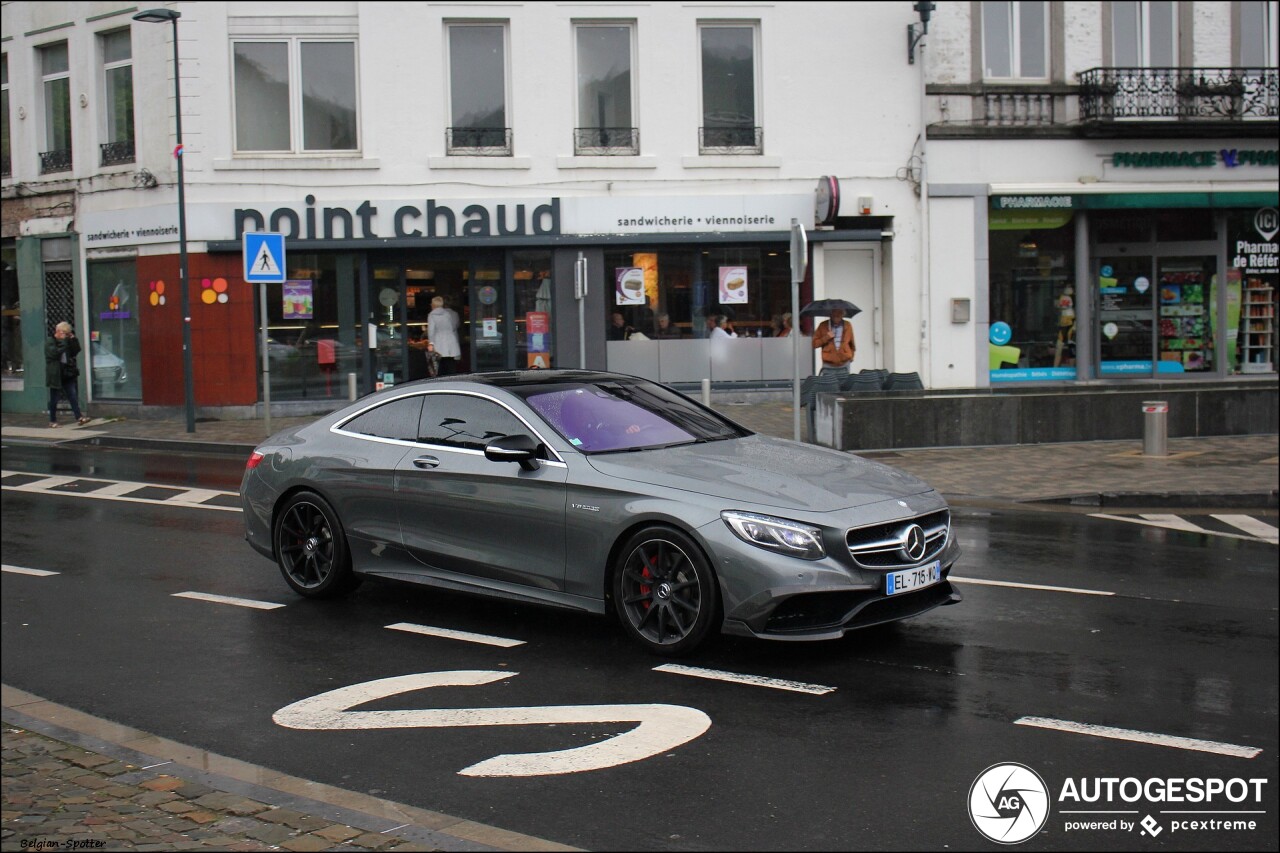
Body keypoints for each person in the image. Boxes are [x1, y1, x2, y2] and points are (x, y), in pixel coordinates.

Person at [45, 321, 89, 428]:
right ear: (58, 332)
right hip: (55, 373)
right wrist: (64, 342)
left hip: (67, 372)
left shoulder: (66, 340)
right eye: (64, 333)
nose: (65, 335)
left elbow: (76, 350)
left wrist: (73, 339)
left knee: (72, 395)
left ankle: (79, 417)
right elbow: (55, 353)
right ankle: (52, 420)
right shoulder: (50, 341)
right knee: (54, 398)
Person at [812, 307, 855, 374]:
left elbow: (852, 344)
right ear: (830, 314)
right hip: (828, 363)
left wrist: (851, 357)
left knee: (844, 383)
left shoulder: (848, 325)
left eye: (839, 313)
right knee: (828, 383)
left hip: (845, 362)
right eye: (834, 313)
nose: (836, 316)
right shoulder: (823, 325)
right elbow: (814, 344)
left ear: (843, 314)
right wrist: (826, 337)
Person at [427, 296, 461, 375]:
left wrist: (431, 343)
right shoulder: (447, 313)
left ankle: (441, 380)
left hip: (439, 340)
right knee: (450, 361)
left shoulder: (432, 315)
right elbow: (452, 326)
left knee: (439, 362)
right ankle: (452, 378)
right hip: (450, 340)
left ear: (434, 304)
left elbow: (431, 330)